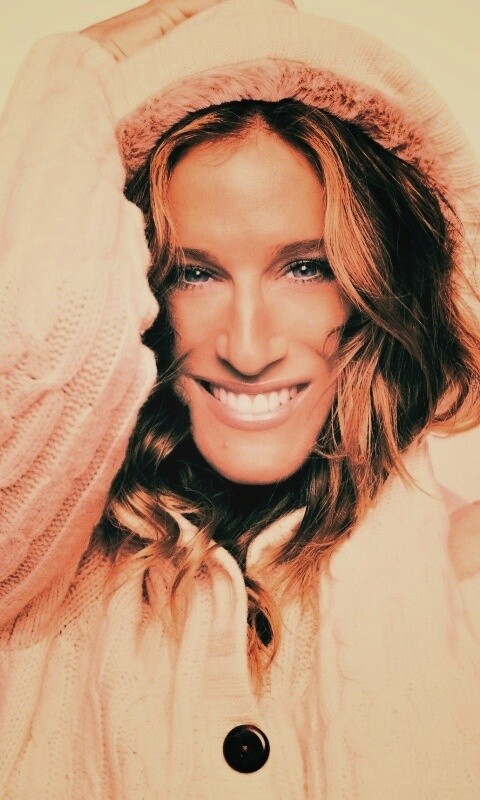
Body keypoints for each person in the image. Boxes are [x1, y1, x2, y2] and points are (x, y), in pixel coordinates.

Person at [0, 0, 479, 797]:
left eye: (306, 268)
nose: (248, 349)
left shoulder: (463, 573)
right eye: (195, 273)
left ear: (377, 285)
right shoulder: (33, 582)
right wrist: (70, 75)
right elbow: (35, 360)